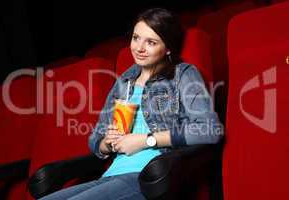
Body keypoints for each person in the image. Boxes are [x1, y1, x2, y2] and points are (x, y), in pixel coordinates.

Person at [39, 8, 223, 200]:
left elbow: (210, 130)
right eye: (136, 38)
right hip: (111, 175)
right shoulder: (124, 81)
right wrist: (107, 144)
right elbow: (96, 139)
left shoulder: (183, 75)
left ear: (168, 47)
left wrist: (147, 140)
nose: (139, 48)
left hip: (148, 177)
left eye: (151, 42)